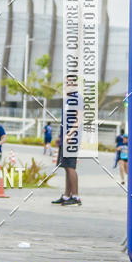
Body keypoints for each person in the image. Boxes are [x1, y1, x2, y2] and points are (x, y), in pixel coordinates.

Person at [52, 78, 83, 207]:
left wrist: (70, 134)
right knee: (65, 166)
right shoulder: (67, 100)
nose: (65, 85)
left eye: (69, 83)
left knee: (71, 167)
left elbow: (79, 119)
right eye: (65, 83)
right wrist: (60, 136)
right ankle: (66, 195)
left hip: (72, 138)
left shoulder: (78, 98)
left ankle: (75, 196)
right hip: (65, 138)